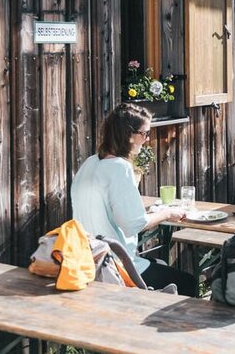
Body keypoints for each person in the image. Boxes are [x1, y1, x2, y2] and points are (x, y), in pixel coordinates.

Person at [71, 102, 197, 295]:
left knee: (160, 264)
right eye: (145, 133)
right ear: (129, 135)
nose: (147, 139)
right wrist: (167, 213)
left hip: (86, 257)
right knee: (188, 282)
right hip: (113, 264)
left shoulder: (89, 163)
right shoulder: (119, 168)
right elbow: (133, 224)